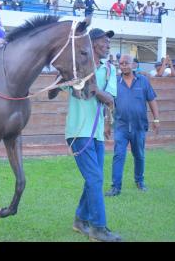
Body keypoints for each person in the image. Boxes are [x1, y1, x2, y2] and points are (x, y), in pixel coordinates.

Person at [48, 28, 121, 242]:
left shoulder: (109, 70)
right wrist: (61, 77)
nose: (108, 45)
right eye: (104, 42)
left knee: (93, 179)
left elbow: (110, 100)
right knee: (95, 179)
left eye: (109, 43)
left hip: (97, 134)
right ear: (91, 44)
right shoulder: (76, 67)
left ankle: (80, 220)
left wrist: (94, 88)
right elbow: (52, 94)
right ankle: (98, 229)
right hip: (78, 132)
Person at [105, 55, 160, 197]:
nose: (123, 65)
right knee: (118, 155)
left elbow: (152, 100)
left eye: (126, 63)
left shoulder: (143, 81)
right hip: (121, 126)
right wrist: (107, 123)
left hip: (139, 126)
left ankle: (140, 182)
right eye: (121, 63)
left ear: (133, 64)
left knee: (139, 155)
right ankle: (116, 187)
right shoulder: (115, 82)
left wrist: (156, 119)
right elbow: (109, 104)